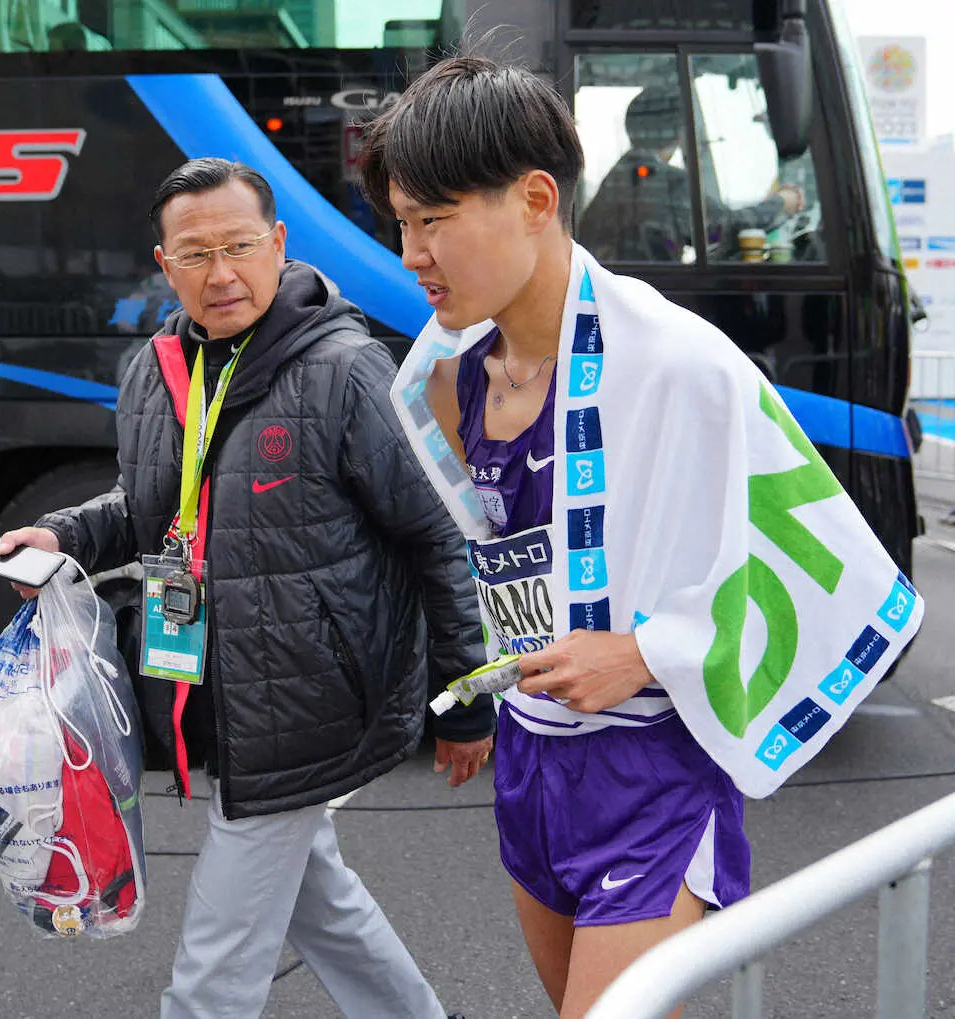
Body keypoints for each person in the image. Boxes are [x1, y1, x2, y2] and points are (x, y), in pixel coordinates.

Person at [359, 56, 921, 1019]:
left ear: (536, 198)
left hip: (653, 768)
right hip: (531, 757)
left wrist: (645, 651)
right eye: (402, 222)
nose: (411, 251)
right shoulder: (445, 377)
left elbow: (815, 556)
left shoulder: (679, 363)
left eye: (434, 219)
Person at [0, 157, 493, 1019]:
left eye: (239, 245)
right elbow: (157, 505)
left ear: (279, 243)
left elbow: (434, 533)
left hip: (309, 705)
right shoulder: (153, 373)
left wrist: (466, 698)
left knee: (212, 976)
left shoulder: (345, 370)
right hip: (211, 694)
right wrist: (68, 532)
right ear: (164, 264)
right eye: (195, 254)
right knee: (323, 906)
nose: (221, 273)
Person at [576, 83, 804, 262]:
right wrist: (782, 202)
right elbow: (721, 228)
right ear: (679, 135)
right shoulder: (665, 181)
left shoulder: (617, 179)